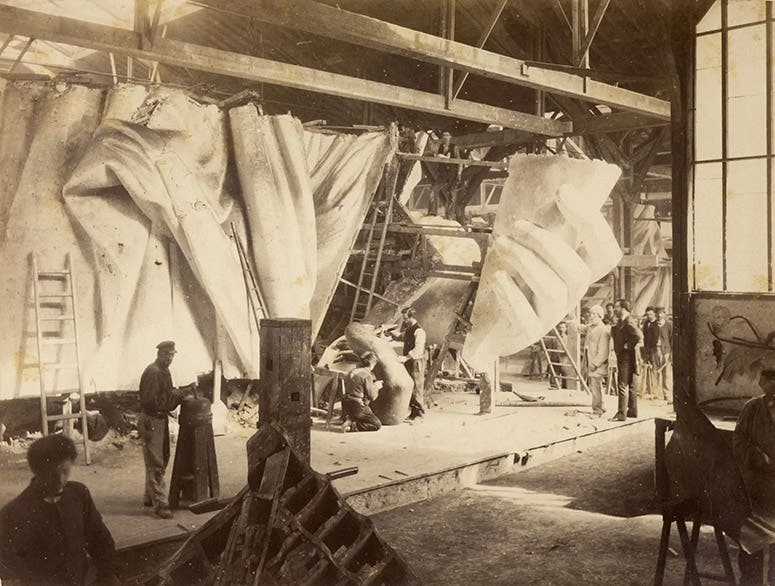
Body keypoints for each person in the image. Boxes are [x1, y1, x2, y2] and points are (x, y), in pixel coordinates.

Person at [0, 435, 119, 585]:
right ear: (36, 470)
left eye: (65, 471)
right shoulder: (14, 513)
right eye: (52, 474)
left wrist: (106, 576)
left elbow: (100, 540)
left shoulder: (79, 494)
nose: (60, 480)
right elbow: (10, 569)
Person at [733, 368, 775, 585]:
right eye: (769, 380)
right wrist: (757, 457)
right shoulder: (752, 408)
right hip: (756, 492)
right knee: (751, 550)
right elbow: (738, 441)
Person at [139, 340, 188, 519]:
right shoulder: (154, 372)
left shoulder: (164, 371)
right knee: (156, 463)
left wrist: (174, 394)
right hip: (151, 419)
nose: (169, 358)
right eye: (166, 354)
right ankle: (160, 504)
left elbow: (164, 394)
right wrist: (174, 397)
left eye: (172, 354)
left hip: (159, 419)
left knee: (161, 457)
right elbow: (151, 402)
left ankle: (149, 496)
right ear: (159, 354)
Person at [610, 299, 643, 421]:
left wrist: (627, 346)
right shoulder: (623, 321)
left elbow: (638, 335)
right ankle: (632, 411)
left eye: (616, 307)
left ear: (623, 308)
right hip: (631, 356)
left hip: (626, 357)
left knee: (622, 384)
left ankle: (621, 414)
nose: (614, 309)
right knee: (632, 384)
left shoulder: (628, 321)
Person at [397, 307, 426, 424]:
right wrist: (388, 335)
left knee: (417, 388)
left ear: (411, 317)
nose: (403, 321)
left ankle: (420, 415)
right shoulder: (409, 329)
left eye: (405, 318)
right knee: (410, 386)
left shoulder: (419, 331)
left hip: (416, 362)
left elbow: (418, 350)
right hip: (408, 361)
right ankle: (413, 413)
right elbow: (401, 336)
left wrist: (406, 357)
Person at [342, 352, 383, 433]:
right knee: (376, 424)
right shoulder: (367, 375)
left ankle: (350, 418)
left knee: (363, 400)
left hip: (345, 404)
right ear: (372, 364)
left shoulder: (353, 371)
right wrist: (376, 387)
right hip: (356, 406)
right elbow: (372, 397)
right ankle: (352, 426)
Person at [585, 305, 611, 417]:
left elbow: (603, 351)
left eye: (592, 314)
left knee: (595, 387)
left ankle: (597, 410)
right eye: (590, 314)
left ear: (599, 316)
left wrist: (595, 364)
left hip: (598, 364)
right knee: (597, 385)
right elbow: (582, 328)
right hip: (592, 361)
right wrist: (571, 321)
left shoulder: (603, 330)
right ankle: (602, 406)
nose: (590, 316)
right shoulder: (592, 327)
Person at [655, 307, 673, 402]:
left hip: (666, 351)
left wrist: (671, 353)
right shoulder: (653, 325)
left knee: (667, 374)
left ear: (664, 314)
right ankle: (658, 394)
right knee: (656, 372)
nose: (659, 315)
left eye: (661, 313)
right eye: (658, 313)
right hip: (656, 351)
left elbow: (671, 339)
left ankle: (667, 394)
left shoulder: (669, 325)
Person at [641, 307, 659, 397]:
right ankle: (648, 389)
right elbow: (644, 336)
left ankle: (655, 390)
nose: (649, 316)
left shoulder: (656, 324)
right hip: (646, 349)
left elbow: (655, 338)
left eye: (651, 314)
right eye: (647, 315)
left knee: (654, 369)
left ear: (654, 314)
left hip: (653, 349)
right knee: (646, 369)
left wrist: (651, 348)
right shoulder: (646, 323)